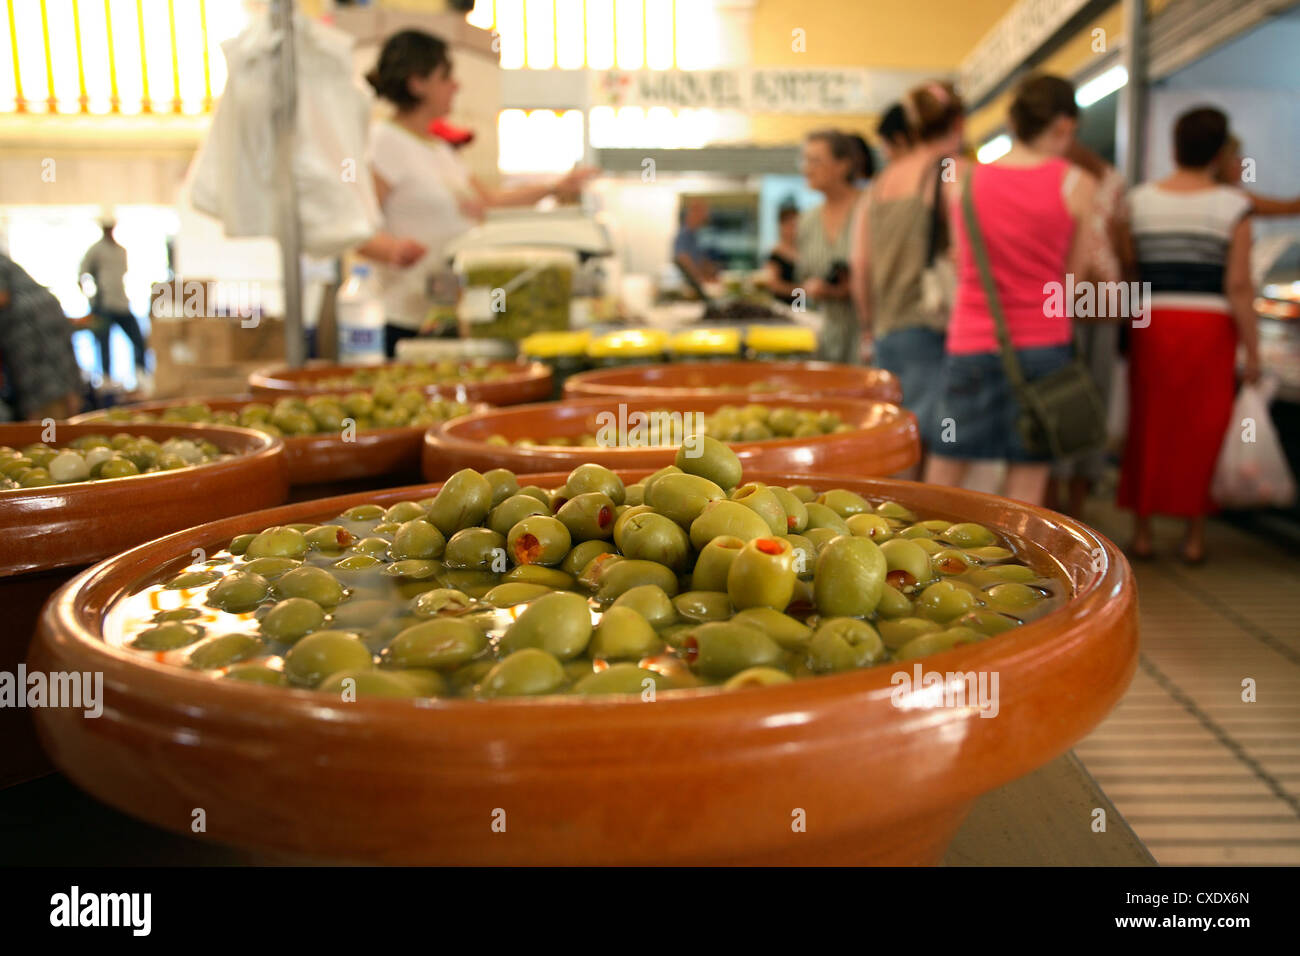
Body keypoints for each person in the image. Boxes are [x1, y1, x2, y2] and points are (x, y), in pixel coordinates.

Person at [923, 74, 1099, 506]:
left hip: (971, 343)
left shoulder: (962, 181)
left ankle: (924, 555)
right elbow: (1073, 281)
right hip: (1043, 346)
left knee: (946, 467)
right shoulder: (1078, 184)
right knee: (1027, 479)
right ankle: (1017, 570)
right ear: (1062, 126)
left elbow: (963, 263)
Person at [358, 29, 590, 356]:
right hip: (408, 320)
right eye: (445, 76)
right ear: (416, 82)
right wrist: (392, 249)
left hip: (453, 313)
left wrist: (555, 187)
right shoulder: (384, 143)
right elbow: (357, 227)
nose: (456, 85)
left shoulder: (439, 148)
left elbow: (489, 202)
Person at [1116, 107, 1259, 564]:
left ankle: (1141, 532)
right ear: (1220, 152)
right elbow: (1238, 284)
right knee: (1202, 428)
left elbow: (1129, 268)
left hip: (1152, 320)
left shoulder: (1138, 201)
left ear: (1174, 147)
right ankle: (1193, 535)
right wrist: (1253, 349)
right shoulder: (1234, 206)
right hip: (1210, 326)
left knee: (1149, 423)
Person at [849, 81, 963, 467]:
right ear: (959, 122)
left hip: (886, 327)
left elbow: (859, 265)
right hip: (932, 322)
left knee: (897, 440)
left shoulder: (881, 183)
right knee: (937, 444)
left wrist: (868, 325)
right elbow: (966, 252)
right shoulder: (947, 173)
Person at [1045, 140, 1128, 519]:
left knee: (1058, 401)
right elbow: (1124, 248)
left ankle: (1055, 499)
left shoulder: (1053, 175)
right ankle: (1073, 503)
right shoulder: (1110, 180)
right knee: (1091, 401)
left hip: (1062, 300)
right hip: (1103, 301)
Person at [791, 129, 863, 364]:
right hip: (826, 340)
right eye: (805, 160)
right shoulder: (808, 221)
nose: (807, 169)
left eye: (816, 161)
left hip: (867, 337)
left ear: (842, 165)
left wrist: (849, 290)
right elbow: (800, 286)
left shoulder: (869, 209)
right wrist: (800, 311)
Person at [0, 254, 83, 421]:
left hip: (27, 323)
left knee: (44, 395)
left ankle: (50, 438)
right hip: (44, 311)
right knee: (61, 384)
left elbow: (2, 296)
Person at [78, 217, 149, 387]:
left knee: (138, 339)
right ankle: (107, 379)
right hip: (103, 305)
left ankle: (140, 374)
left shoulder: (120, 251)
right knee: (104, 344)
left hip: (122, 303)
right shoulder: (96, 250)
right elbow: (82, 274)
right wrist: (91, 298)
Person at [1217, 134, 1300, 217]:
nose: (1241, 161)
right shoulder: (1230, 197)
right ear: (1220, 161)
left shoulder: (1229, 193)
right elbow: (1288, 208)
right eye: (1235, 156)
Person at [673, 198, 718, 291]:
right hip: (686, 285)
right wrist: (699, 279)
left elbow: (699, 260)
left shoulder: (694, 236)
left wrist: (710, 270)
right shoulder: (684, 234)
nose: (704, 219)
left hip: (693, 283)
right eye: (702, 215)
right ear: (693, 214)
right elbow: (683, 260)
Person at [762, 204, 801, 305]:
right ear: (781, 226)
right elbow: (773, 285)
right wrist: (803, 290)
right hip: (784, 307)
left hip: (802, 306)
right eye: (790, 225)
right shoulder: (775, 254)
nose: (793, 229)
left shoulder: (803, 251)